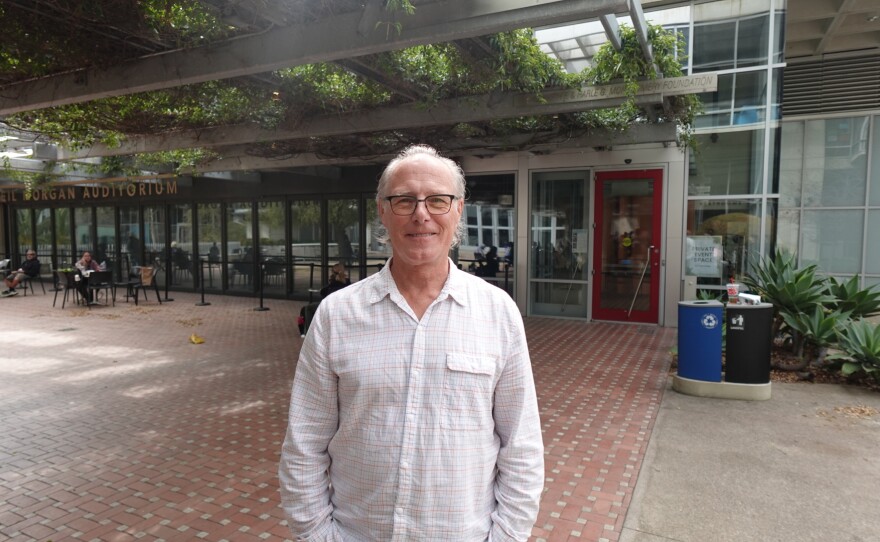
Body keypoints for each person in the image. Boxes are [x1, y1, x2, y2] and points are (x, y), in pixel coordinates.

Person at [279, 144, 544, 541]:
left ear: (458, 210)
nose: (421, 214)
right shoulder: (337, 315)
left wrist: (506, 536)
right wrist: (316, 534)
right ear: (383, 211)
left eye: (437, 200)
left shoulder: (498, 313)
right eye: (404, 200)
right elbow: (304, 444)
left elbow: (521, 446)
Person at [297, 262, 351, 337]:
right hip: (342, 306)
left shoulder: (333, 282)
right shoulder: (347, 282)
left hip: (329, 306)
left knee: (308, 308)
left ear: (333, 272)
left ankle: (309, 332)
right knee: (311, 307)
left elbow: (324, 293)